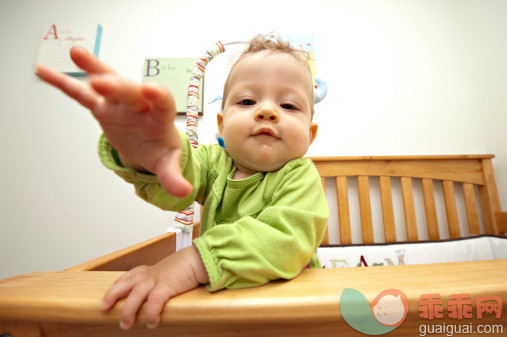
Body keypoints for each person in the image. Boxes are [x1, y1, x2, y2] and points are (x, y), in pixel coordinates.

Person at [36, 34, 329, 330]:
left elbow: (285, 238)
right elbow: (182, 178)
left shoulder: (300, 176)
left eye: (289, 106)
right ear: (222, 125)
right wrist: (153, 155)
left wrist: (192, 263)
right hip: (221, 309)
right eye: (247, 101)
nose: (267, 111)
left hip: (293, 313)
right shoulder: (214, 163)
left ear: (310, 134)